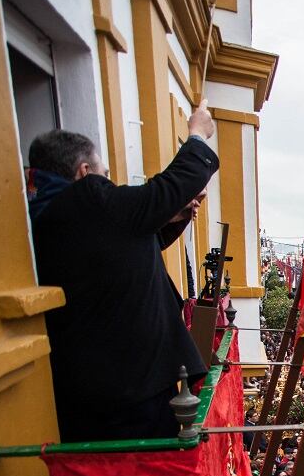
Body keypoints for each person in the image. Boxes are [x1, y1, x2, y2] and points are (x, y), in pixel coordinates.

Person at [28, 104, 218, 441]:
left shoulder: (53, 218)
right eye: (105, 175)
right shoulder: (86, 198)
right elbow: (166, 189)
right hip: (134, 392)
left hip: (94, 391)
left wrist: (180, 213)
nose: (110, 185)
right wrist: (198, 134)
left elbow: (134, 246)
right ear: (85, 173)